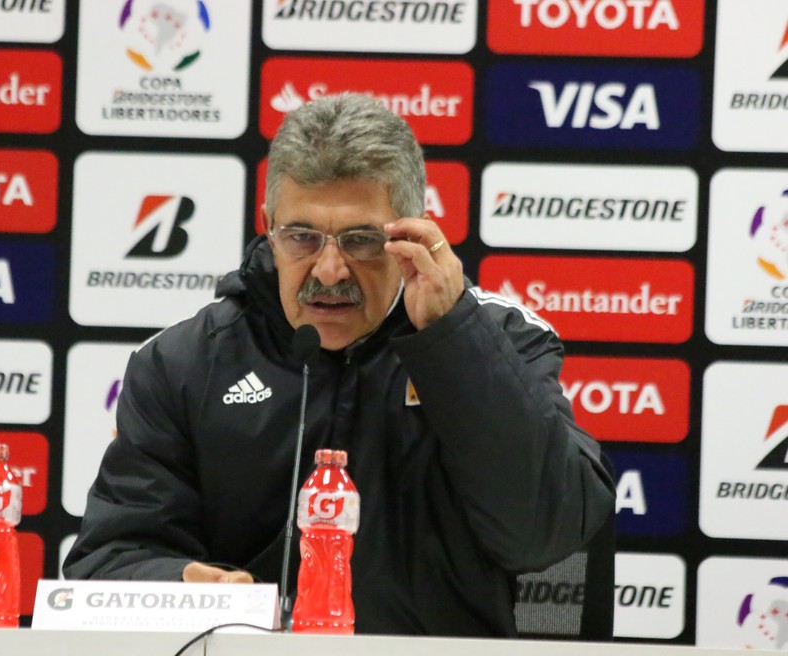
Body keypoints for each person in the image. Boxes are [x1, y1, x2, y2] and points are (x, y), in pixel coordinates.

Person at [63, 93, 616, 637]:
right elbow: (109, 561)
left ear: (412, 232)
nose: (329, 271)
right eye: (302, 237)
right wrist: (186, 585)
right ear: (268, 226)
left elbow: (544, 536)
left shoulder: (499, 339)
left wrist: (450, 338)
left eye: (361, 240)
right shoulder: (185, 361)